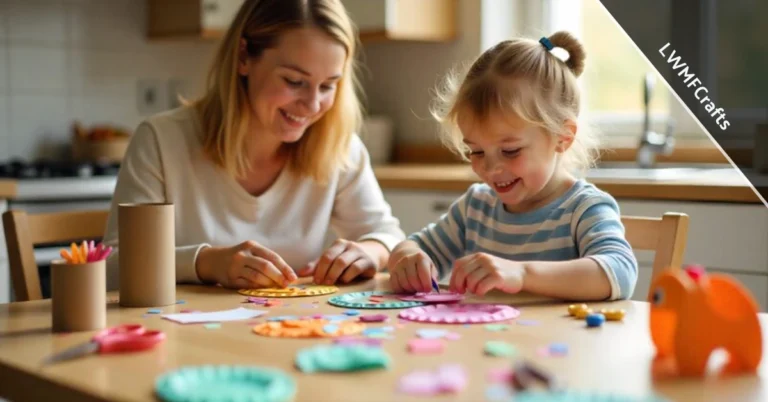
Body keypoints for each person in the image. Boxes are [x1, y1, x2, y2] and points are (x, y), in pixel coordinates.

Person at [102, 0, 405, 291]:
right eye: (294, 81)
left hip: (290, 334)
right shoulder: (161, 141)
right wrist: (206, 263)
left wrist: (369, 252)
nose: (313, 105)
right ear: (243, 57)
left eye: (327, 86)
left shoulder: (338, 147)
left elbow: (388, 236)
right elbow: (113, 268)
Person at [387, 32, 638, 301]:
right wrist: (408, 258)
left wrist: (522, 274)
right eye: (477, 151)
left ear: (562, 137)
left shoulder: (582, 209)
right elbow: (414, 246)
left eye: (510, 151)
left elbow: (620, 272)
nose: (491, 168)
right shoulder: (475, 208)